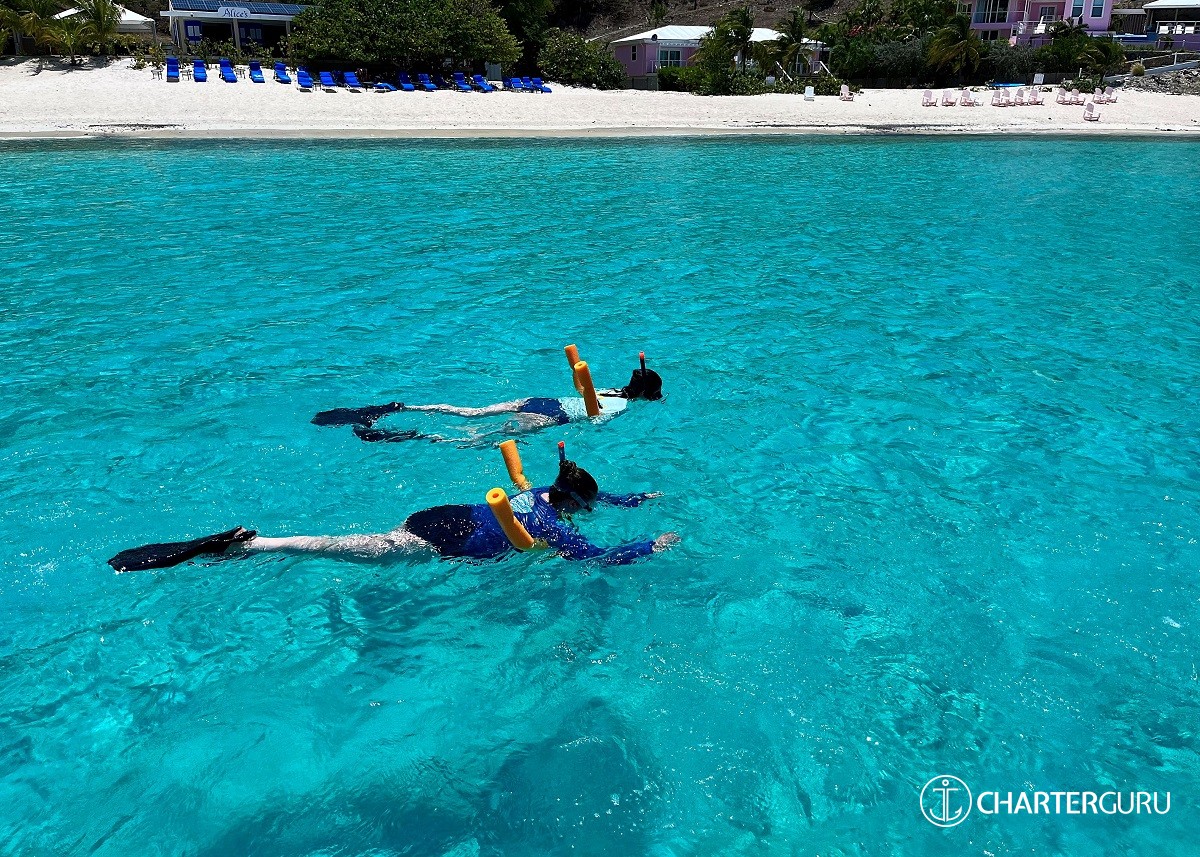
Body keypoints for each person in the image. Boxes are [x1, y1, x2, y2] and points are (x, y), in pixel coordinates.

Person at [108, 450, 679, 572]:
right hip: (442, 541)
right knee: (340, 549)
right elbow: (598, 559)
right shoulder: (550, 524)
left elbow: (592, 496)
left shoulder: (539, 495)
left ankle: (251, 546)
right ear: (571, 504)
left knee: (369, 541)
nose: (589, 512)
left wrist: (633, 499)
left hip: (439, 514)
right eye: (587, 507)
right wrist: (650, 545)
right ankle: (251, 545)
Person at [312, 354, 663, 446]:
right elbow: (594, 421)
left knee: (471, 413)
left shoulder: (606, 389)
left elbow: (581, 392)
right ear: (647, 395)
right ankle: (408, 436)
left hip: (538, 401)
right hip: (551, 419)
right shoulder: (622, 407)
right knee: (476, 440)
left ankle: (401, 408)